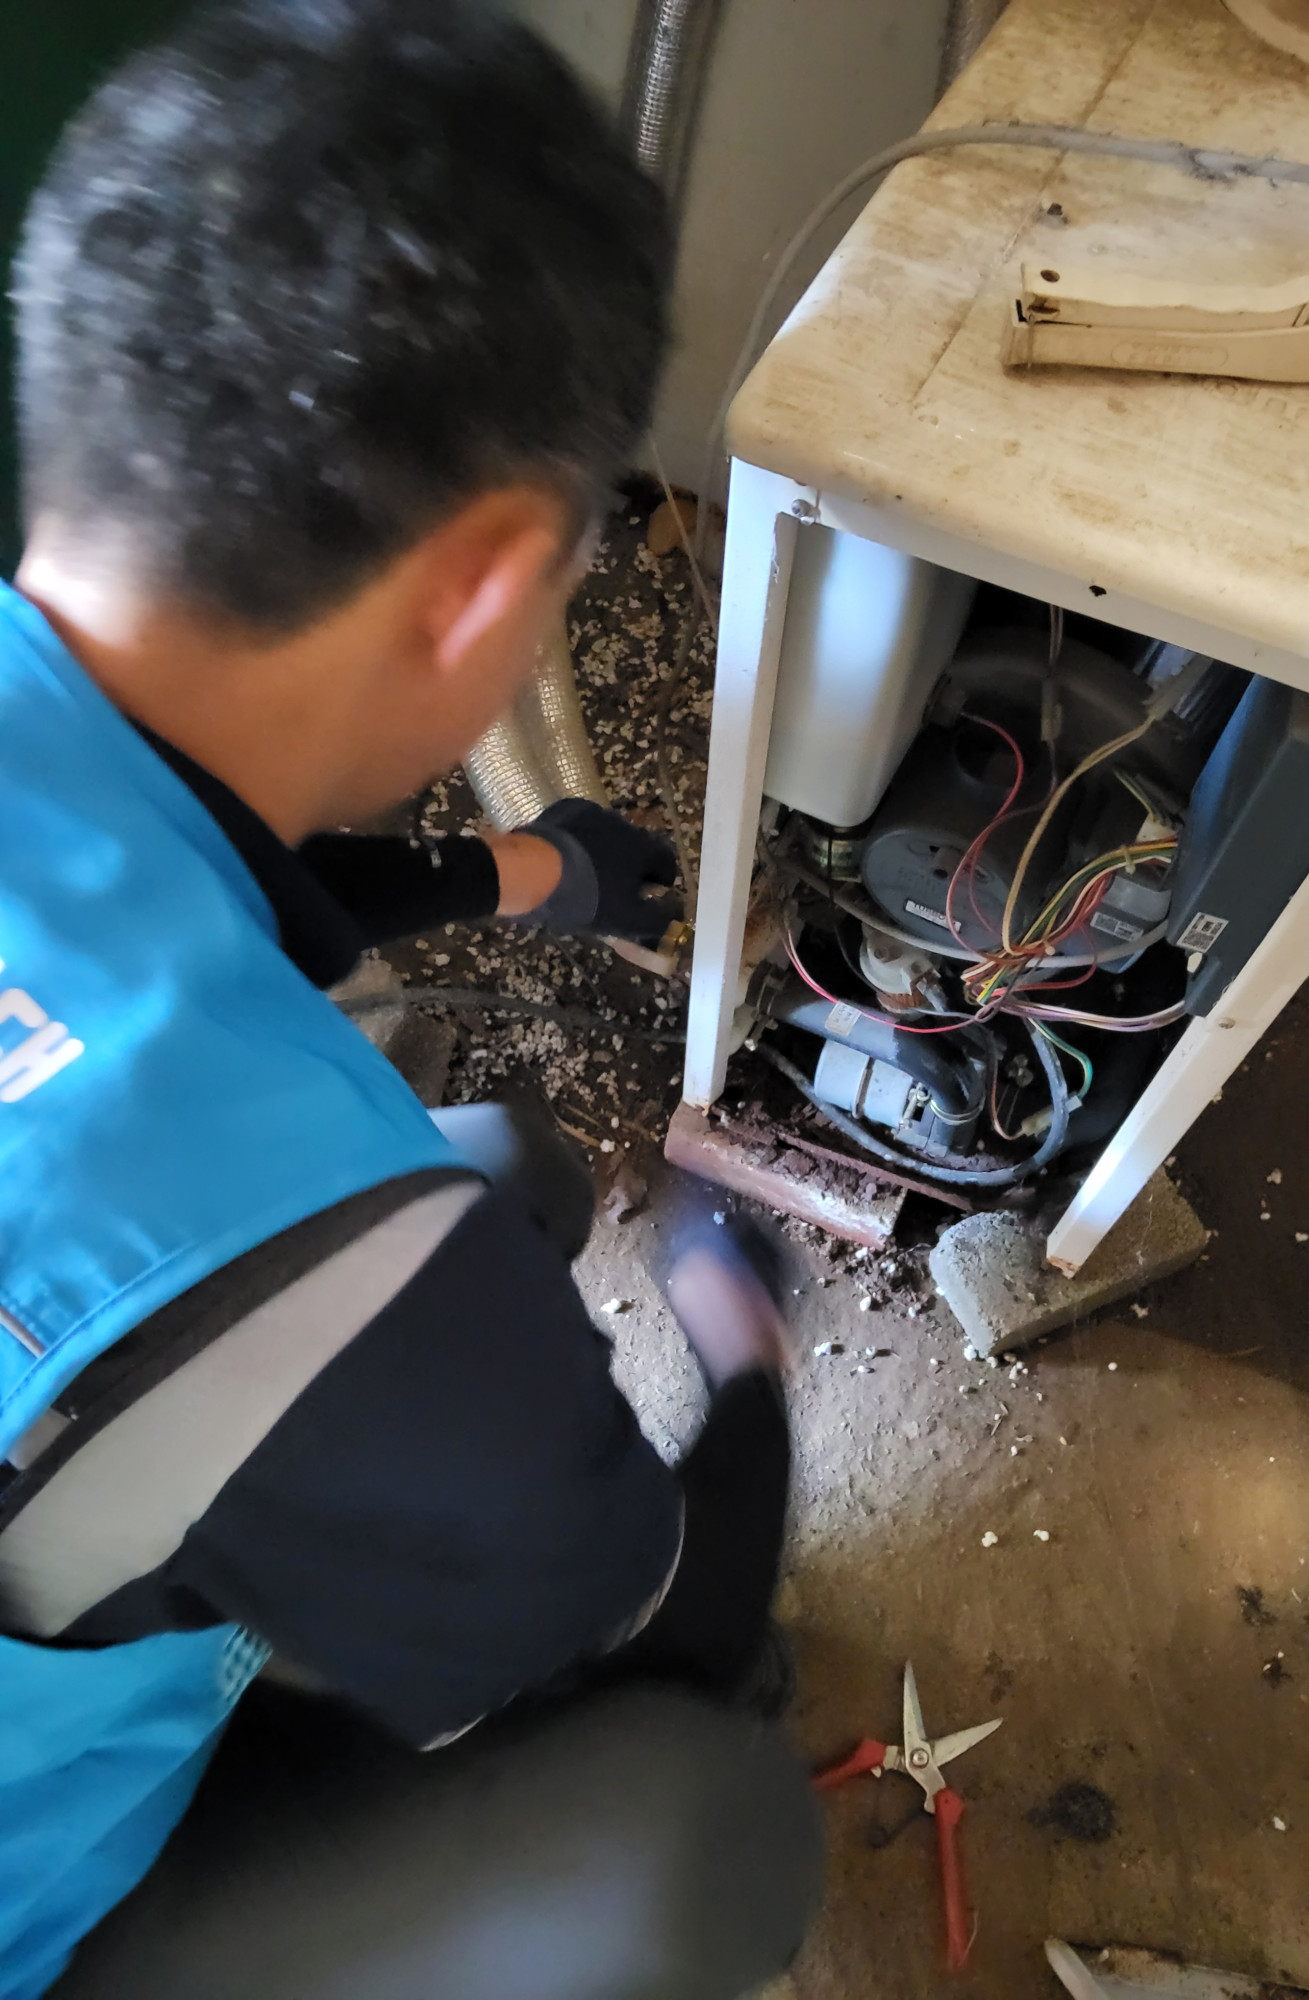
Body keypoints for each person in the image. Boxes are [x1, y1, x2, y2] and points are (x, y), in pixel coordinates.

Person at [0, 3, 821, 1995]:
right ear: (480, 584)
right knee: (692, 1820)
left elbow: (156, 860)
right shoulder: (322, 1277)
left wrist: (529, 876)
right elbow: (669, 1630)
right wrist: (742, 1328)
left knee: (497, 1171)